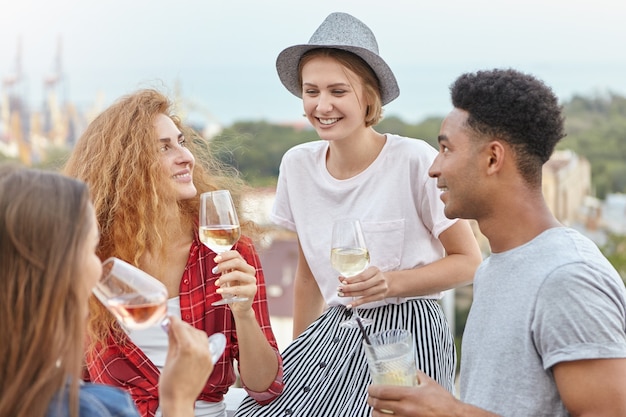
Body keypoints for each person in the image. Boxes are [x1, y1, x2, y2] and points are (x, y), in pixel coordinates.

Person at [236, 12, 482, 417]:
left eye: (338, 91)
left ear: (368, 97)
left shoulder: (413, 160)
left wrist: (391, 282)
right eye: (311, 91)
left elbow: (469, 262)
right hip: (333, 331)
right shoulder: (296, 165)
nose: (322, 105)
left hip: (408, 334)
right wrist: (299, 364)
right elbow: (308, 278)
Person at [367, 68, 626, 416]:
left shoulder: (567, 277)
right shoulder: (493, 269)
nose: (433, 168)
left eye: (446, 149)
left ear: (492, 158)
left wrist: (450, 412)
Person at [62, 89, 284, 417]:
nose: (186, 157)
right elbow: (73, 385)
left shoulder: (227, 251)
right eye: (164, 147)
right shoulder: (91, 260)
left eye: (181, 142)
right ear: (126, 166)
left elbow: (265, 388)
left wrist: (244, 313)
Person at [0, 166, 215, 417]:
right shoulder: (94, 408)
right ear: (59, 269)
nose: (100, 264)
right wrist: (178, 402)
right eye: (92, 247)